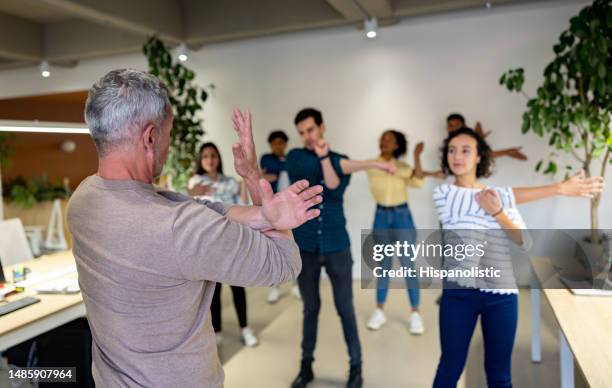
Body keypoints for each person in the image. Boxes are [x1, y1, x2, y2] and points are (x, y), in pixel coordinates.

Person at [67, 69, 323, 388]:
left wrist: (261, 207)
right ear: (150, 137)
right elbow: (284, 264)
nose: (168, 144)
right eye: (168, 133)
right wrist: (258, 185)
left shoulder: (82, 201)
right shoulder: (179, 227)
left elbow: (195, 208)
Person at [431, 127, 603, 388]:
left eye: (466, 150)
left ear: (479, 157)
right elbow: (472, 201)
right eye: (452, 151)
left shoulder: (499, 198)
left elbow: (524, 242)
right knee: (449, 369)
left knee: (499, 376)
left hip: (501, 296)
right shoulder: (444, 194)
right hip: (459, 294)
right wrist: (558, 188)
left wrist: (499, 212)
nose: (457, 156)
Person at [286, 107, 395, 388]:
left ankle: (356, 368)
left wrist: (328, 159)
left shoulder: (338, 160)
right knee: (310, 309)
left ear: (322, 126)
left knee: (345, 308)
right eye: (302, 133)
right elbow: (316, 173)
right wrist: (370, 163)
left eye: (310, 130)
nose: (307, 136)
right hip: (306, 246)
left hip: (337, 247)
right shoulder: (295, 158)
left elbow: (333, 185)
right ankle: (305, 366)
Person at [188, 142, 257, 347]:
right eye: (205, 156)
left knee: (238, 288)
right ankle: (217, 331)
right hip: (210, 246)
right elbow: (190, 208)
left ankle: (245, 328)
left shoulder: (229, 182)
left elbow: (243, 205)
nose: (210, 159)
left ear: (219, 158)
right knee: (214, 291)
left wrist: (244, 180)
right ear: (201, 161)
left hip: (232, 243)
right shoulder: (196, 181)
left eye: (213, 156)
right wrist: (192, 192)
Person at [365, 130, 428, 334]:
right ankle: (379, 310)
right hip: (381, 216)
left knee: (407, 263)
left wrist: (417, 157)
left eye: (389, 140)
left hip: (402, 216)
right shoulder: (372, 165)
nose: (384, 142)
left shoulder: (403, 167)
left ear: (396, 145)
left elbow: (418, 181)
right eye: (382, 138)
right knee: (383, 264)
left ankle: (415, 313)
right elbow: (374, 170)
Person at [260, 130, 301, 303]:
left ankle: (297, 285)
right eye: (274, 143)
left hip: (293, 211)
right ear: (270, 145)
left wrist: (275, 172)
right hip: (274, 211)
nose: (278, 146)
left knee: (296, 247)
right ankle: (275, 287)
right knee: (275, 248)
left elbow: (287, 172)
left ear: (285, 144)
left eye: (281, 143)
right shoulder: (266, 159)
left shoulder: (292, 159)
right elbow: (273, 168)